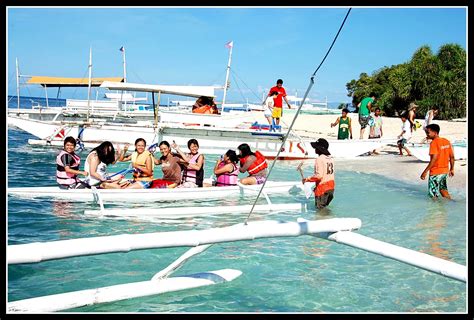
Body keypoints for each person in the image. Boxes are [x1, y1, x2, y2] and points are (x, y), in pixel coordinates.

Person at [420, 124, 455, 200]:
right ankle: (453, 203)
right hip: (444, 171)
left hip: (435, 172)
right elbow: (452, 157)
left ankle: (435, 211)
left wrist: (425, 171)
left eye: (428, 132)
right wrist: (452, 169)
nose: (427, 134)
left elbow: (434, 158)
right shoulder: (446, 141)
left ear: (435, 132)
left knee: (433, 195)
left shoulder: (434, 143)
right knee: (443, 190)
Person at [301, 138, 335, 209]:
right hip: (331, 188)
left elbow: (319, 176)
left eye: (316, 147)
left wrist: (307, 179)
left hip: (322, 189)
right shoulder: (331, 159)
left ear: (319, 149)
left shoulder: (319, 159)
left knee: (320, 211)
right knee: (325, 209)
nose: (315, 149)